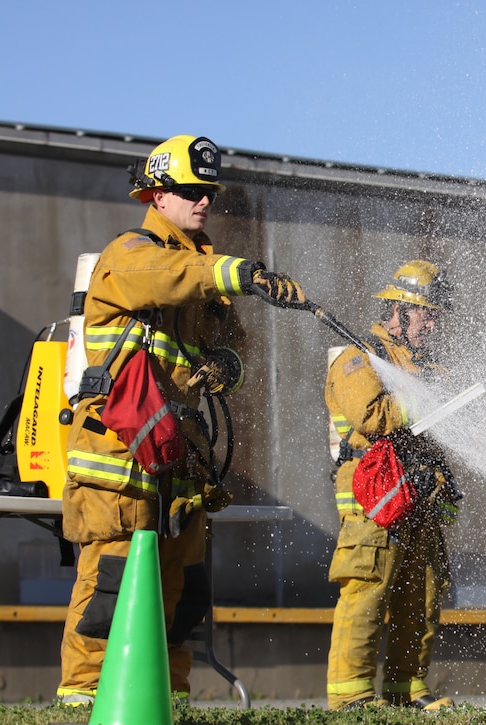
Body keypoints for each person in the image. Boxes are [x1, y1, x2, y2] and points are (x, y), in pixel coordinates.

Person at [57, 135, 307, 705]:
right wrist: (237, 271)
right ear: (157, 193)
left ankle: (165, 697)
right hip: (119, 455)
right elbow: (166, 276)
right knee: (113, 581)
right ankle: (83, 696)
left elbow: (236, 350)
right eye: (191, 191)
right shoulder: (132, 254)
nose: (203, 203)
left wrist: (227, 365)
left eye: (208, 193)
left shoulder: (201, 270)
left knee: (180, 587)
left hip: (176, 455)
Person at [324, 259, 461, 711]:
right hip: (375, 497)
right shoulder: (357, 356)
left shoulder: (426, 367)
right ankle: (352, 695)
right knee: (368, 587)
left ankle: (408, 687)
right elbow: (372, 416)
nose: (433, 322)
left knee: (420, 592)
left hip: (417, 495)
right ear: (399, 312)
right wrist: (423, 400)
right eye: (427, 312)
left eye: (437, 313)